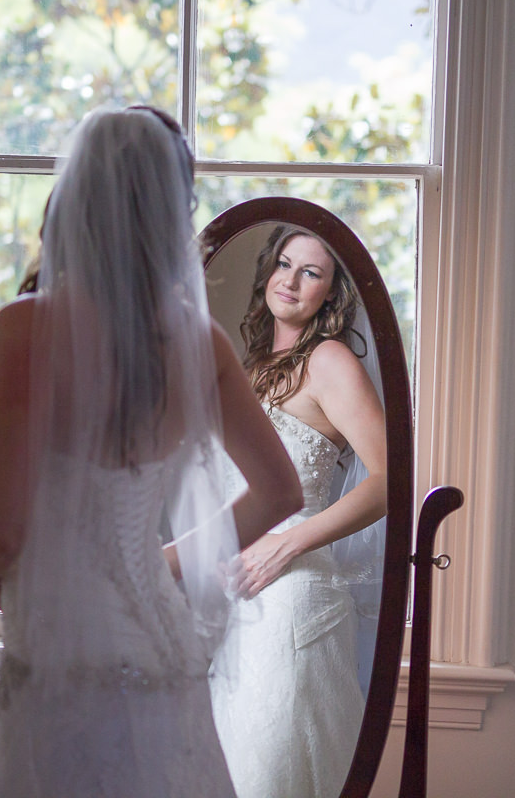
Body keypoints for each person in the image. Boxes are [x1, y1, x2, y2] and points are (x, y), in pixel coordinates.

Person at [0, 106, 303, 798]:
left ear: (75, 199)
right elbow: (280, 492)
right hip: (160, 650)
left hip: (61, 654)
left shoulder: (26, 328)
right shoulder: (201, 342)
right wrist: (158, 565)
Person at [210, 225, 388, 798]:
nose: (290, 280)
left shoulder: (330, 360)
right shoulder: (255, 362)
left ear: (331, 294)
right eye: (284, 264)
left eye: (311, 272)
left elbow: (390, 482)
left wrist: (287, 543)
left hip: (294, 601)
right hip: (241, 601)